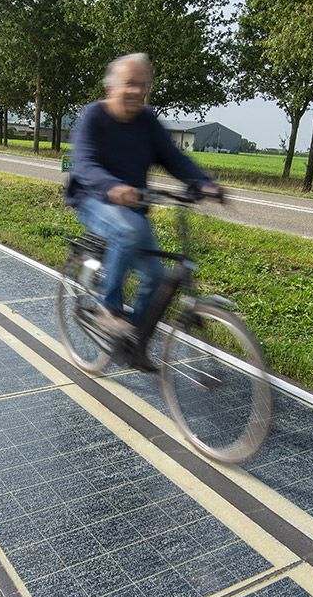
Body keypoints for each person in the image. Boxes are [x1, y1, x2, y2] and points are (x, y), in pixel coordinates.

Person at [65, 53, 221, 367]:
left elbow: (173, 158)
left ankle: (133, 343)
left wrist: (203, 183)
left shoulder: (147, 121)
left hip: (132, 205)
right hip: (93, 199)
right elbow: (83, 164)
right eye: (130, 84)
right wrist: (113, 187)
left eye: (143, 85)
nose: (137, 91)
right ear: (111, 87)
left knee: (156, 277)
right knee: (128, 230)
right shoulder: (94, 116)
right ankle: (108, 309)